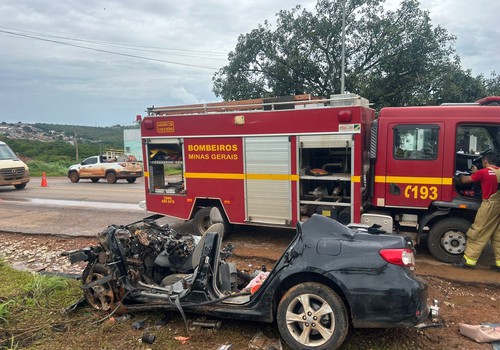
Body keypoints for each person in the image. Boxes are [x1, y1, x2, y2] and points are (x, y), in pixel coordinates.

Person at [453, 152, 500, 272]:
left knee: (478, 232)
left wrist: (459, 175)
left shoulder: (483, 172)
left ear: (485, 161)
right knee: (497, 235)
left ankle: (468, 261)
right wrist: (477, 172)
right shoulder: (497, 171)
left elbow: (465, 180)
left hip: (489, 206)